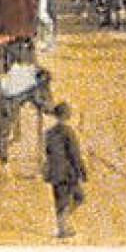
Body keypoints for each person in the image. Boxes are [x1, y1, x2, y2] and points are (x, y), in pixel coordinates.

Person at [44, 102, 88, 239]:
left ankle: (62, 225)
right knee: (78, 197)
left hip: (54, 172)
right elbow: (74, 154)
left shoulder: (49, 133)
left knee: (60, 200)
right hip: (68, 173)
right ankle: (63, 227)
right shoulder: (69, 132)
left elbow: (48, 152)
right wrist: (83, 172)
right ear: (66, 115)